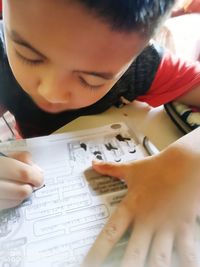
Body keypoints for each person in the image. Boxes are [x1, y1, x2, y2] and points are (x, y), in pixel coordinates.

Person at [1, 0, 200, 266]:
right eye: (29, 56)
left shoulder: (143, 65)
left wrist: (189, 157)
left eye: (91, 79)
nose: (51, 91)